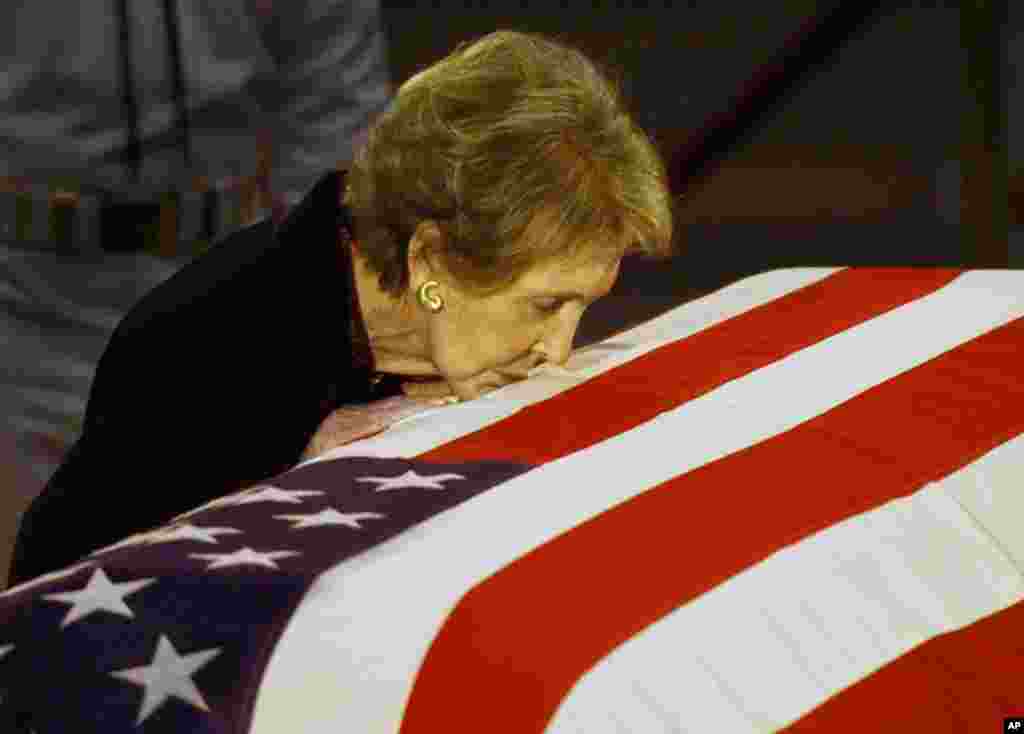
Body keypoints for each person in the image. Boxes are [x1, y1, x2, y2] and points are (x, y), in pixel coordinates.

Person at [8, 30, 674, 586]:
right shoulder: (204, 351)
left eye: (580, 307)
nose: (558, 352)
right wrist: (288, 491)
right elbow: (56, 611)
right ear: (428, 263)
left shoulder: (436, 329)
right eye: (545, 306)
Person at [0, 0, 393, 514]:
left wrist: (313, 331)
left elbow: (337, 119)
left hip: (233, 297)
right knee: (43, 577)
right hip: (26, 308)